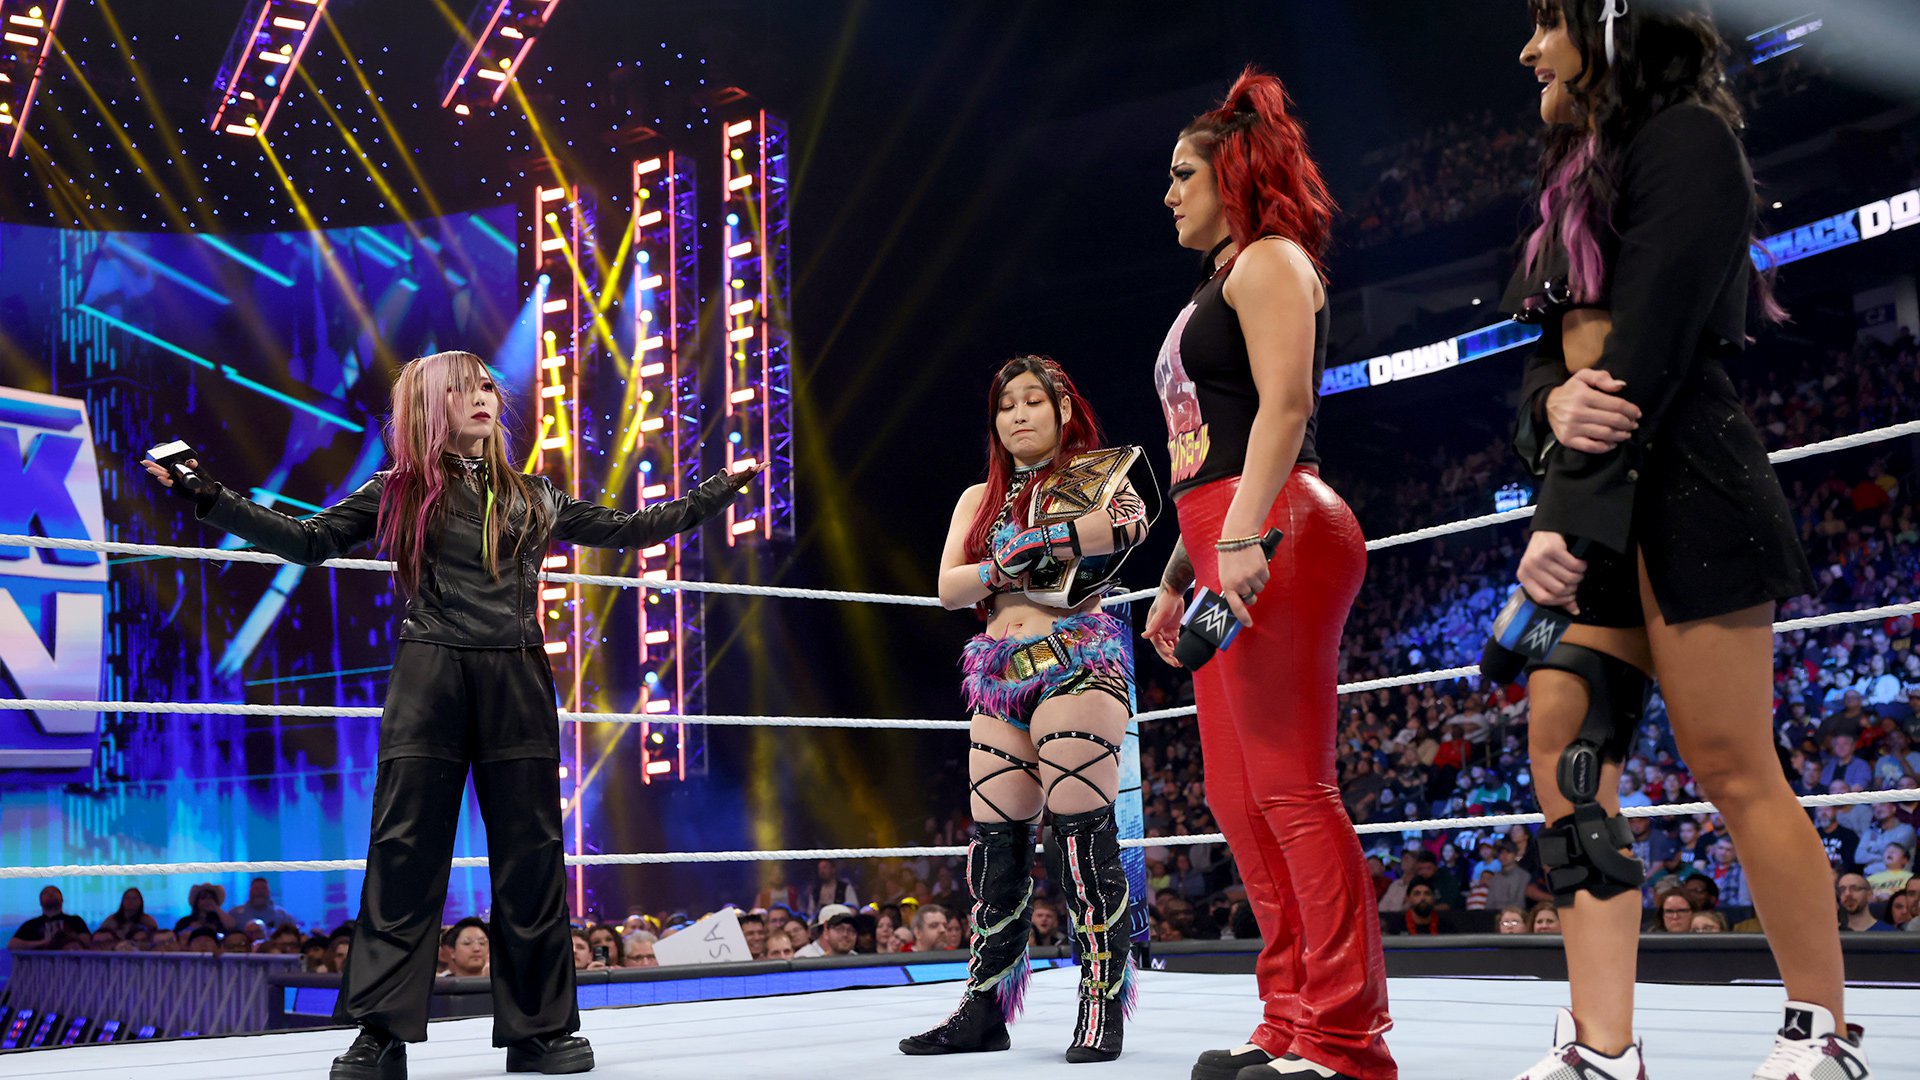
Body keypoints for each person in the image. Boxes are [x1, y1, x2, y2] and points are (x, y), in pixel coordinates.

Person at [143, 350, 758, 1080]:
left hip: (517, 674)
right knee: (404, 854)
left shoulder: (535, 494)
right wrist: (207, 494)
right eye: (464, 388)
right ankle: (380, 1035)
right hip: (430, 672)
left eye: (488, 386)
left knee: (532, 858)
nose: (484, 397)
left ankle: (540, 1032)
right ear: (432, 405)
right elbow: (308, 541)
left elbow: (631, 527)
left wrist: (717, 490)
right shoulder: (399, 489)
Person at [1499, 4, 1865, 1077]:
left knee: (1730, 761)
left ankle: (1823, 1028)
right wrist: (1549, 408)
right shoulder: (1573, 173)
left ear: (1614, 23)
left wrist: (1559, 516)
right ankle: (1603, 1041)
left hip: (1688, 486)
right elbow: (1545, 361)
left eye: (1548, 22)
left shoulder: (1689, 140)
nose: (1530, 50)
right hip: (1598, 495)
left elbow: (1645, 352)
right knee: (1568, 753)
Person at [1141, 67, 1395, 1080]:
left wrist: (1242, 537)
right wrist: (1178, 573)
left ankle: (1346, 1040)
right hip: (1224, 531)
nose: (1169, 193)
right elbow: (1206, 448)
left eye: (1183, 174)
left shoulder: (1273, 260)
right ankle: (1290, 1017)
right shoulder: (1218, 282)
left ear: (1233, 177)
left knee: (1291, 786)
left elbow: (1286, 409)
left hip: (1276, 523)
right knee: (1236, 794)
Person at [901, 356, 1153, 1063]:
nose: (1017, 415)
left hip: (1076, 659)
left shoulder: (1097, 476)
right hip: (998, 672)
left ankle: (1101, 1004)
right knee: (995, 849)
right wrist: (1001, 567)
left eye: (1032, 401)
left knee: (1081, 840)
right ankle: (985, 1008)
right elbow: (949, 588)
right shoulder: (977, 498)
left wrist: (1047, 538)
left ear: (1063, 409)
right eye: (1006, 404)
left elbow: (1130, 525)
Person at [7, 886, 91, 951]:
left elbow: (88, 942)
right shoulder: (31, 924)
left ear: (62, 899)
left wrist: (68, 939)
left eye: (54, 892)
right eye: (46, 893)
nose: (51, 894)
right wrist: (42, 943)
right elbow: (12, 945)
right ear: (40, 901)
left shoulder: (75, 920)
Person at [230, 878, 295, 928]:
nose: (260, 892)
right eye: (256, 888)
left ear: (269, 892)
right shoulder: (235, 914)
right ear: (249, 892)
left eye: (263, 888)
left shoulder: (282, 915)